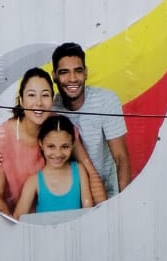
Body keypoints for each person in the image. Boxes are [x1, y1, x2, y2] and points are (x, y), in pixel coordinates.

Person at [0, 68, 104, 217]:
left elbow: (91, 172)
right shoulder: (2, 137)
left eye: (45, 95)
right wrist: (16, 228)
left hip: (42, 217)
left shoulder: (60, 128)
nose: (38, 103)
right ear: (21, 100)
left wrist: (104, 214)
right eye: (31, 95)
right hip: (8, 217)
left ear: (52, 99)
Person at [51, 41, 132, 197]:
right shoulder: (51, 109)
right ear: (54, 76)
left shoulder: (106, 100)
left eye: (78, 71)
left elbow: (121, 157)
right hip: (71, 194)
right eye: (64, 72)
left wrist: (124, 202)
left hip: (108, 190)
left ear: (86, 73)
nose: (72, 78)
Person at [13, 116, 107, 216]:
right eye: (51, 146)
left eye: (65, 147)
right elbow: (18, 218)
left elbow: (87, 208)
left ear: (72, 144)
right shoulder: (33, 181)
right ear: (41, 144)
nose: (58, 154)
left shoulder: (79, 170)